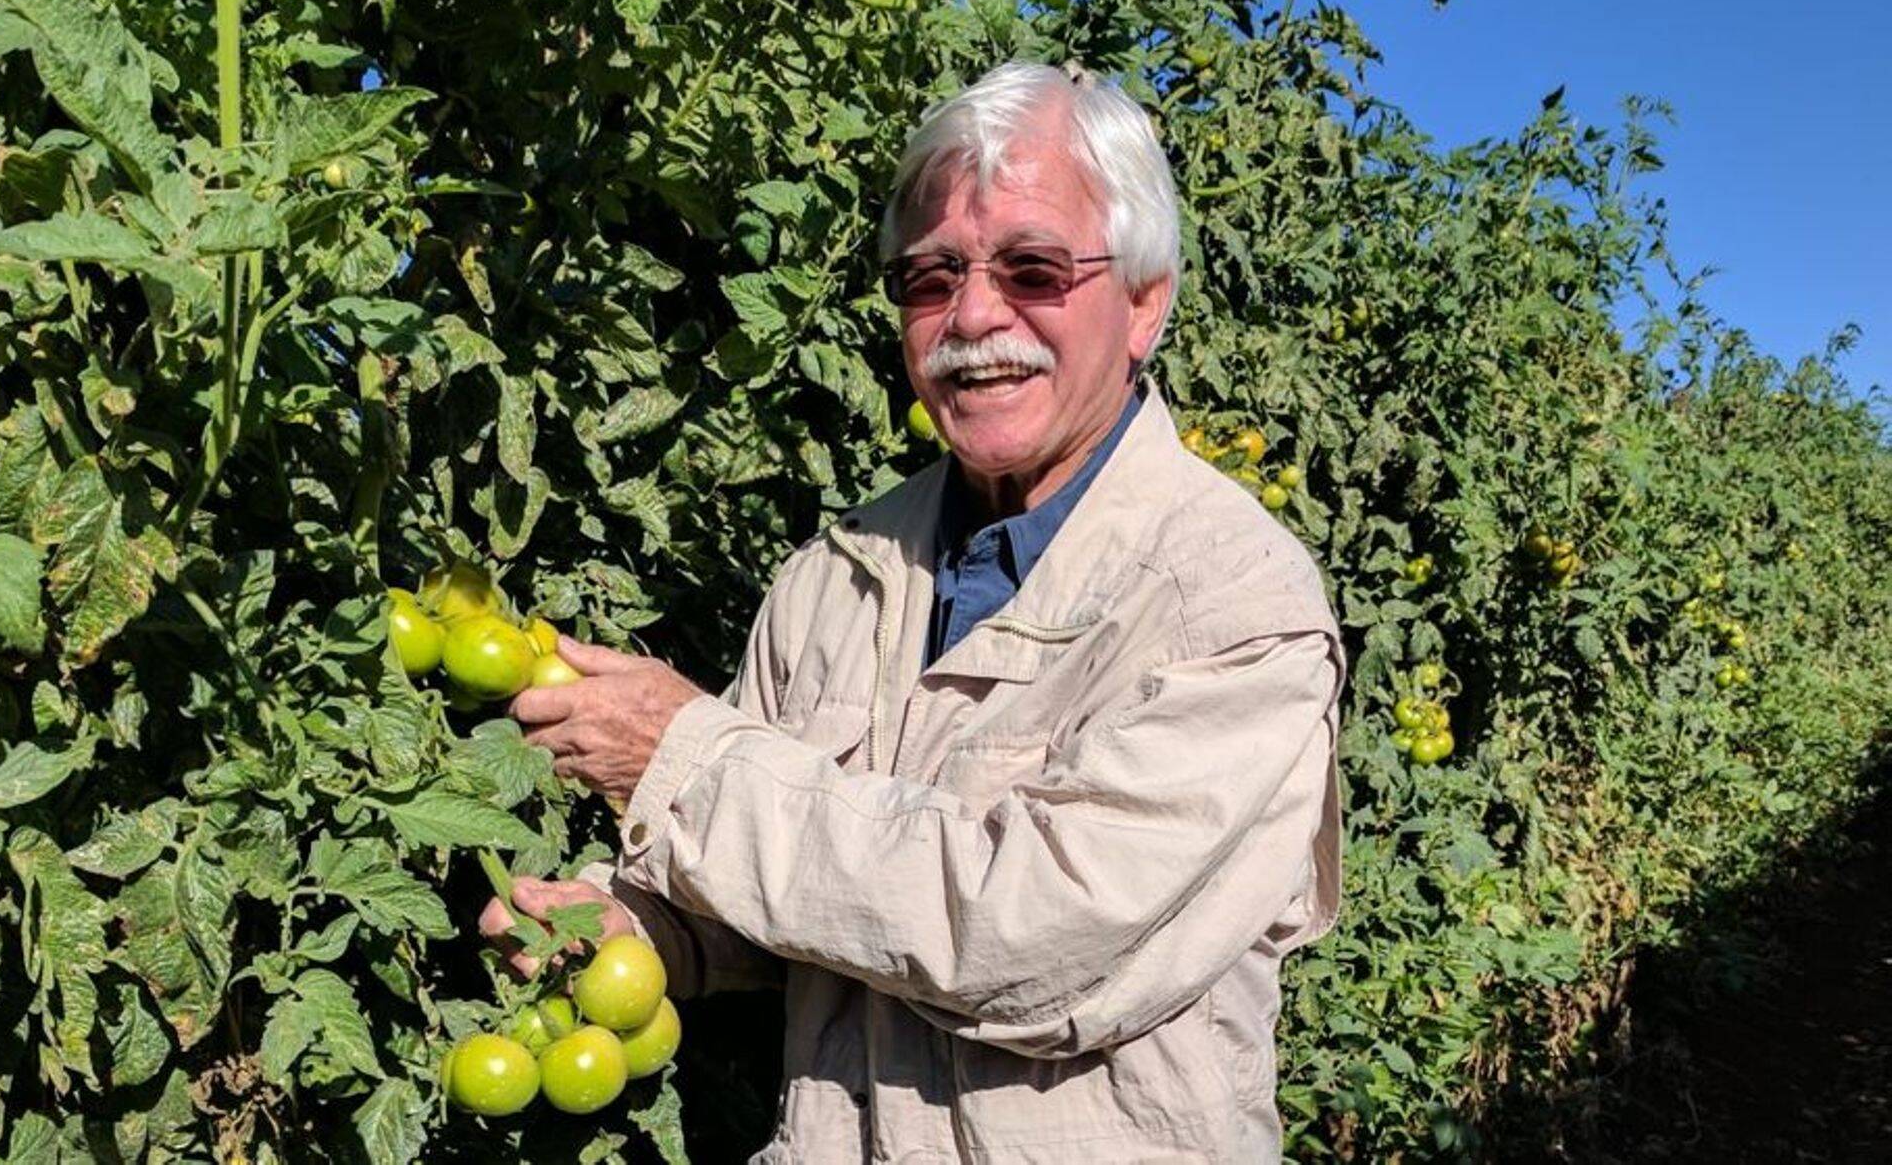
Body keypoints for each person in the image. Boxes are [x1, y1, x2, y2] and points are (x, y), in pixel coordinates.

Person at [481, 60, 1345, 1162]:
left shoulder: (1232, 600)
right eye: (931, 278)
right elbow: (778, 888)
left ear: (1143, 303)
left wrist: (685, 763)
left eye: (1033, 267)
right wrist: (638, 922)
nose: (975, 316)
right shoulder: (838, 573)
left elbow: (1028, 940)